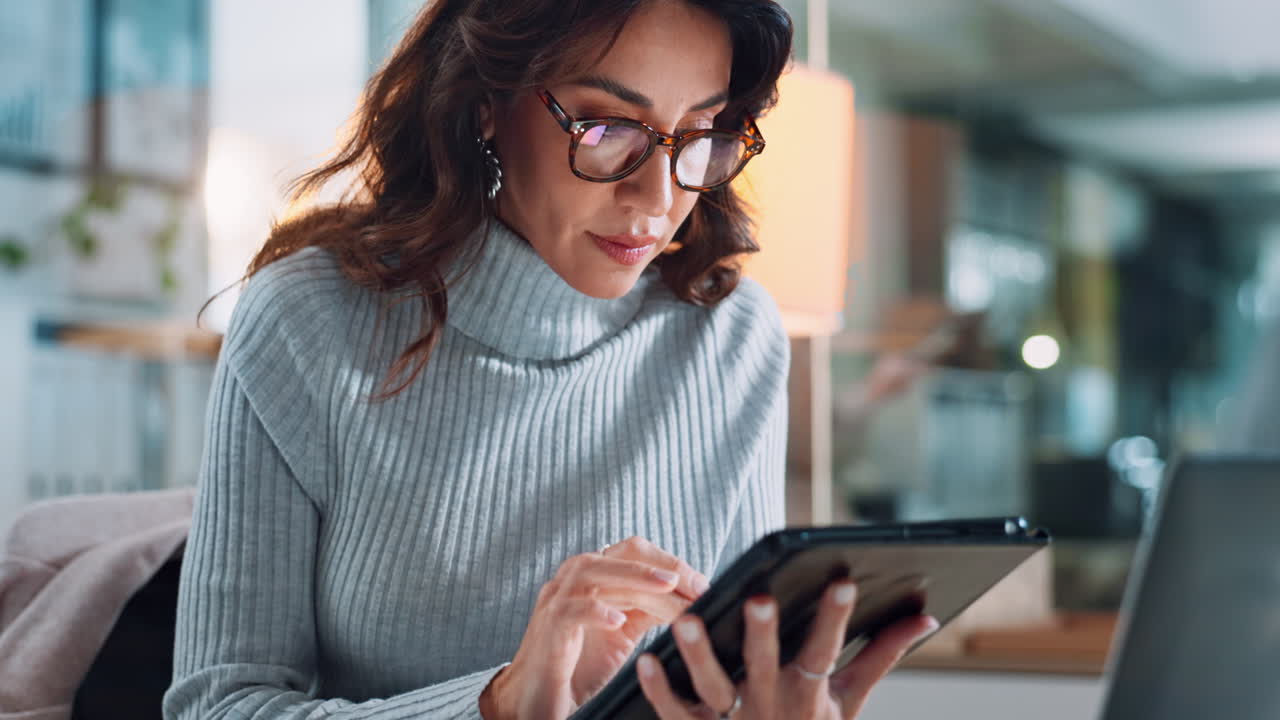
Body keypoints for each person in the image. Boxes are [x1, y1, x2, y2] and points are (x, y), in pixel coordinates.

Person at [164, 1, 937, 718]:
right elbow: (218, 705)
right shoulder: (307, 321)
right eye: (605, 130)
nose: (657, 196)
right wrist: (497, 705)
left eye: (701, 135)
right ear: (485, 108)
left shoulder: (733, 335)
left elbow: (726, 682)